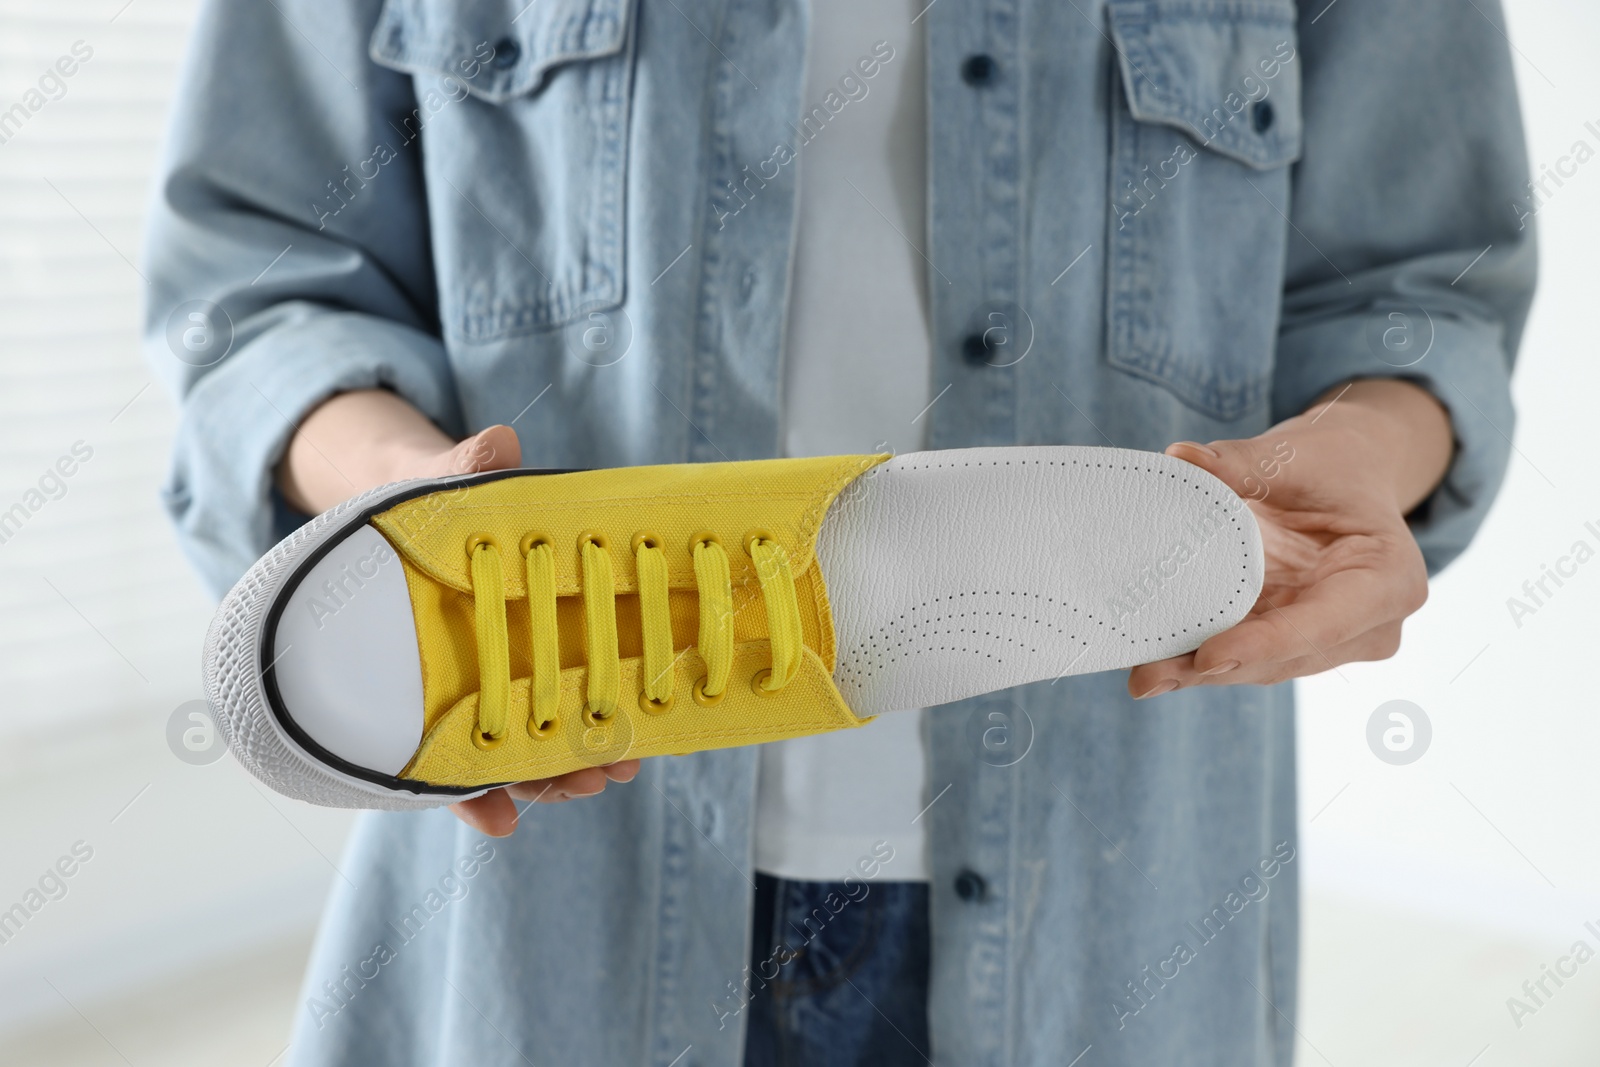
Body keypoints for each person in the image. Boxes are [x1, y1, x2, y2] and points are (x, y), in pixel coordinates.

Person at [143, 0, 1534, 1062]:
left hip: (1118, 881)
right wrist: (402, 489)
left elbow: (1420, 288)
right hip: (558, 866)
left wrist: (1360, 462)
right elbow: (257, 277)